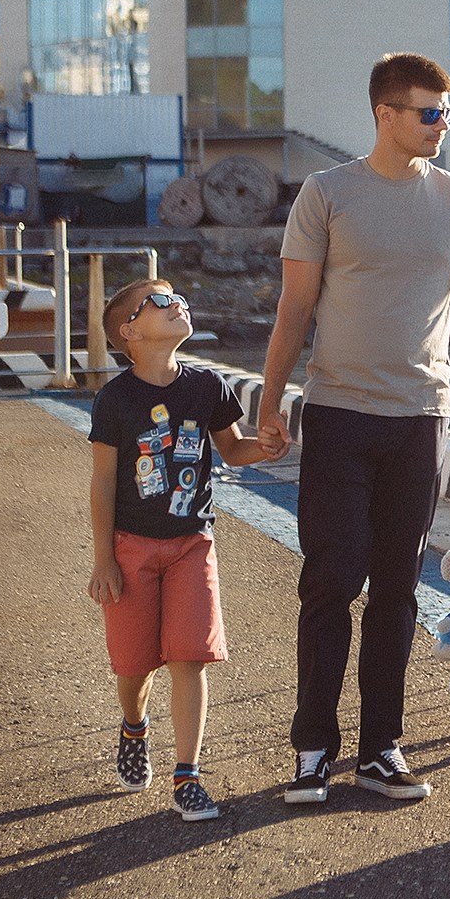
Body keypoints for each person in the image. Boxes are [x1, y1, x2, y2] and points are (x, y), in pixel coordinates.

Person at [257, 52, 450, 805]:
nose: (443, 124)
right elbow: (294, 307)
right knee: (330, 582)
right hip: (338, 413)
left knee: (397, 590)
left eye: (448, 112)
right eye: (430, 112)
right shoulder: (327, 192)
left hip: (420, 418)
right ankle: (313, 748)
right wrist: (270, 400)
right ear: (386, 114)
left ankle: (381, 748)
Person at [87, 278, 267, 821]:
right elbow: (103, 482)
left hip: (192, 543)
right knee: (135, 667)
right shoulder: (115, 399)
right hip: (132, 548)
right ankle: (133, 727)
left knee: (190, 658)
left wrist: (267, 447)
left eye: (179, 298)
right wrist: (104, 560)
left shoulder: (207, 386)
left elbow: (233, 449)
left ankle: (187, 775)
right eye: (161, 301)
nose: (178, 304)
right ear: (130, 331)